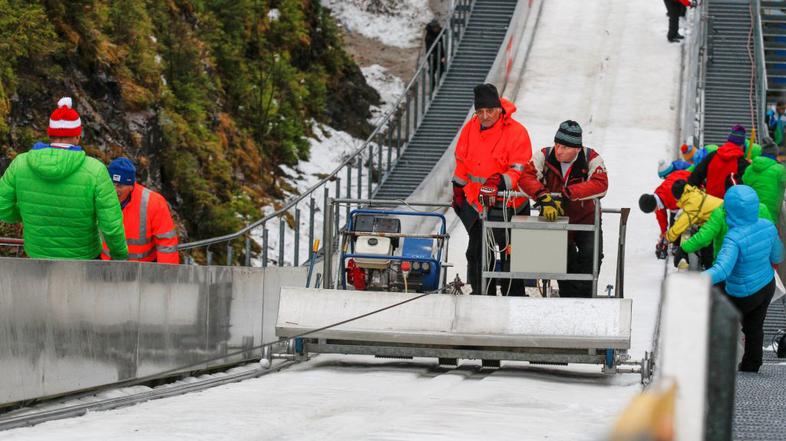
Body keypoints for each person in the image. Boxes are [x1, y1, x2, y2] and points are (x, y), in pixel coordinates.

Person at [0, 97, 127, 260]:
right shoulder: (95, 170)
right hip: (84, 260)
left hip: (37, 257)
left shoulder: (20, 164)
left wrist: (27, 214)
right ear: (77, 136)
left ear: (50, 134)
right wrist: (120, 256)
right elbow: (111, 226)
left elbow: (2, 206)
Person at [452, 83, 532, 295]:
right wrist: (458, 189)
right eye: (480, 112)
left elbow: (519, 170)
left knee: (511, 258)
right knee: (477, 254)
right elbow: (462, 162)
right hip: (478, 205)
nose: (485, 116)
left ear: (499, 108)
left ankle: (513, 299)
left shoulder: (516, 133)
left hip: (510, 206)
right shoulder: (469, 129)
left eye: (489, 111)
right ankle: (480, 297)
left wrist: (498, 182)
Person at [518, 120, 608, 298]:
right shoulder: (544, 155)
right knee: (562, 262)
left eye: (565, 147)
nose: (559, 151)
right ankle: (568, 299)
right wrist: (544, 197)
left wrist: (567, 193)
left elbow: (601, 184)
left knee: (591, 257)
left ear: (577, 148)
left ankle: (585, 299)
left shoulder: (591, 158)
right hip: (555, 220)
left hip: (586, 219)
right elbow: (525, 178)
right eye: (557, 144)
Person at [704, 185, 783, 373]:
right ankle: (751, 364)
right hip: (766, 286)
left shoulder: (734, 237)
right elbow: (777, 256)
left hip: (741, 293)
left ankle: (718, 365)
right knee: (754, 327)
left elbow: (722, 270)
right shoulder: (768, 227)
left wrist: (697, 279)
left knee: (718, 320)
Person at [101, 157, 179, 263]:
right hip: (104, 267)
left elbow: (166, 244)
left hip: (142, 270)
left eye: (119, 186)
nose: (114, 190)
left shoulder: (154, 203)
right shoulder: (96, 195)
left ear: (131, 186)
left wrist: (165, 275)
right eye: (111, 184)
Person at [666, 180, 723, 269]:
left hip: (724, 218)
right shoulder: (694, 194)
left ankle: (710, 269)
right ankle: (707, 265)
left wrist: (668, 237)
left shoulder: (692, 203)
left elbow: (682, 223)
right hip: (722, 214)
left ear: (677, 197)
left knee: (707, 243)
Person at [638, 164, 691, 258]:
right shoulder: (656, 196)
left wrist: (670, 235)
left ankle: (677, 244)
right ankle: (675, 243)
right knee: (673, 217)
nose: (654, 212)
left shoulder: (672, 195)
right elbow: (660, 215)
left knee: (678, 219)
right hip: (677, 184)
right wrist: (664, 233)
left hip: (691, 183)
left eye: (652, 211)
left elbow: (681, 219)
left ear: (653, 207)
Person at [688, 125, 750, 199]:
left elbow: (694, 178)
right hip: (727, 205)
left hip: (710, 202)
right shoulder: (742, 163)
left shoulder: (712, 155)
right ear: (742, 145)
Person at [742, 137, 786, 222]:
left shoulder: (750, 168)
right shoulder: (780, 170)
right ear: (775, 155)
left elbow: (744, 185)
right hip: (770, 213)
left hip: (750, 210)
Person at [424, 19, 446, 87]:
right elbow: (431, 49)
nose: (437, 29)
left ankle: (438, 84)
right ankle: (433, 86)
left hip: (439, 54)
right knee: (432, 70)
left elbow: (442, 31)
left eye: (437, 27)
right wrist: (440, 58)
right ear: (432, 28)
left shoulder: (437, 31)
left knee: (441, 69)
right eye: (436, 28)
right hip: (432, 56)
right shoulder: (429, 37)